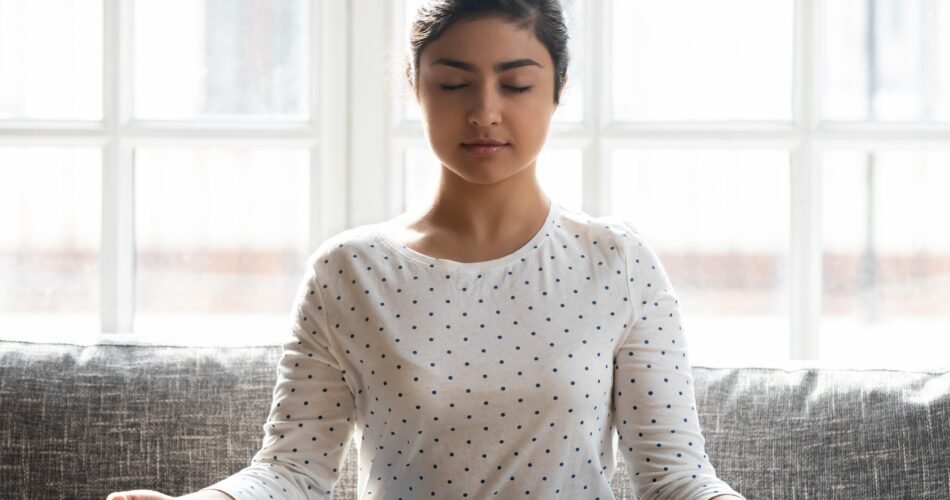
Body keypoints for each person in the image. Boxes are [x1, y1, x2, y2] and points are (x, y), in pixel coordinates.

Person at [106, 0, 746, 498]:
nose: (485, 113)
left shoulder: (617, 262)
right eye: (453, 84)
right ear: (414, 85)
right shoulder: (349, 272)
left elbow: (673, 477)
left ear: (559, 87)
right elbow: (293, 472)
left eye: (516, 85)